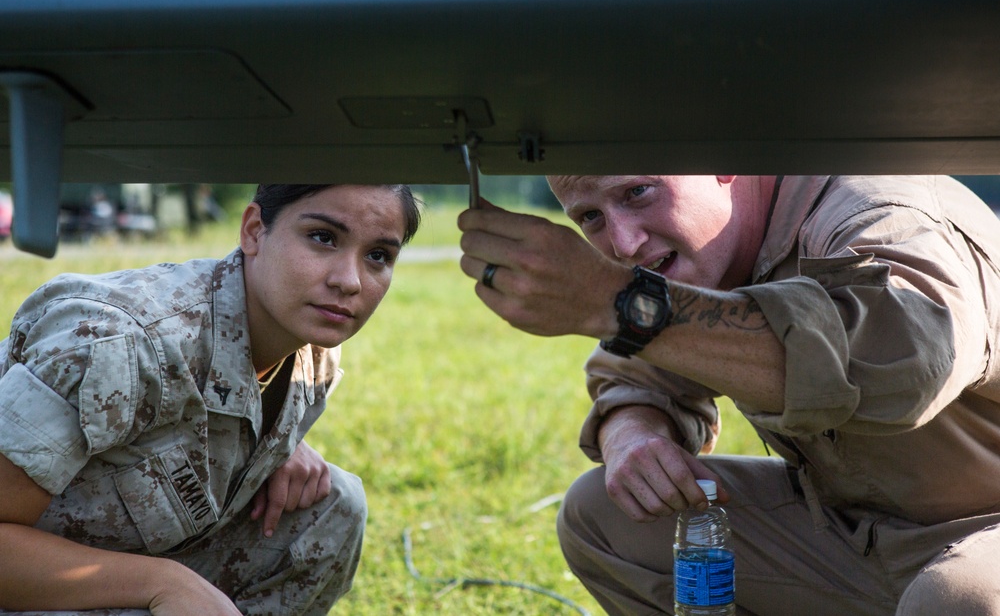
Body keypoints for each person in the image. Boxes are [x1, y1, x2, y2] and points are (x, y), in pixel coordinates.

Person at [457, 175, 1000, 615]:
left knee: (956, 600)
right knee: (602, 513)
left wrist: (618, 301)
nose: (623, 244)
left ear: (723, 163)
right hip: (855, 537)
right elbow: (642, 368)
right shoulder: (720, 245)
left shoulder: (884, 213)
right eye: (591, 218)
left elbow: (902, 369)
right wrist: (633, 431)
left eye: (637, 193)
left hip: (985, 530)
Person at [0, 183, 421, 616]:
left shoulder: (310, 344)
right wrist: (164, 585)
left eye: (378, 256)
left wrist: (269, 448)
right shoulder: (118, 344)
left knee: (332, 507)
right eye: (322, 237)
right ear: (255, 230)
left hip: (110, 557)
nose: (348, 281)